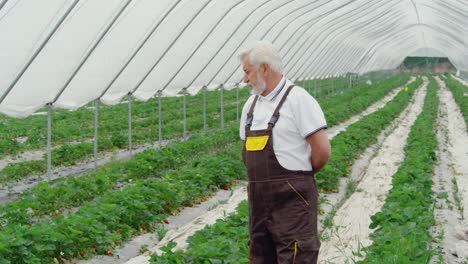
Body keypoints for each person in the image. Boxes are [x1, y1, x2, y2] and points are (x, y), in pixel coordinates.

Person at [239, 40, 331, 263]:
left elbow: (322, 151)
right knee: (260, 253)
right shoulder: (251, 106)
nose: (244, 79)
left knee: (296, 253)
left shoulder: (298, 100)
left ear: (265, 68)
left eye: (247, 72)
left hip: (292, 199)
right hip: (259, 200)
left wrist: (296, 177)